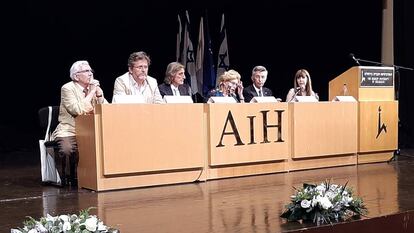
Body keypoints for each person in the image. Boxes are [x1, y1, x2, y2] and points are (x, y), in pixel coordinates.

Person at [51, 60, 108, 186]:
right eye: (87, 71)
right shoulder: (67, 88)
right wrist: (92, 92)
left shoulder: (93, 89)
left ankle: (95, 178)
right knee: (67, 149)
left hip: (91, 130)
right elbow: (77, 110)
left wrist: (99, 95)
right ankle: (68, 177)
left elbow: (105, 110)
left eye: (91, 71)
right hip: (70, 129)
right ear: (76, 76)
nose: (90, 74)